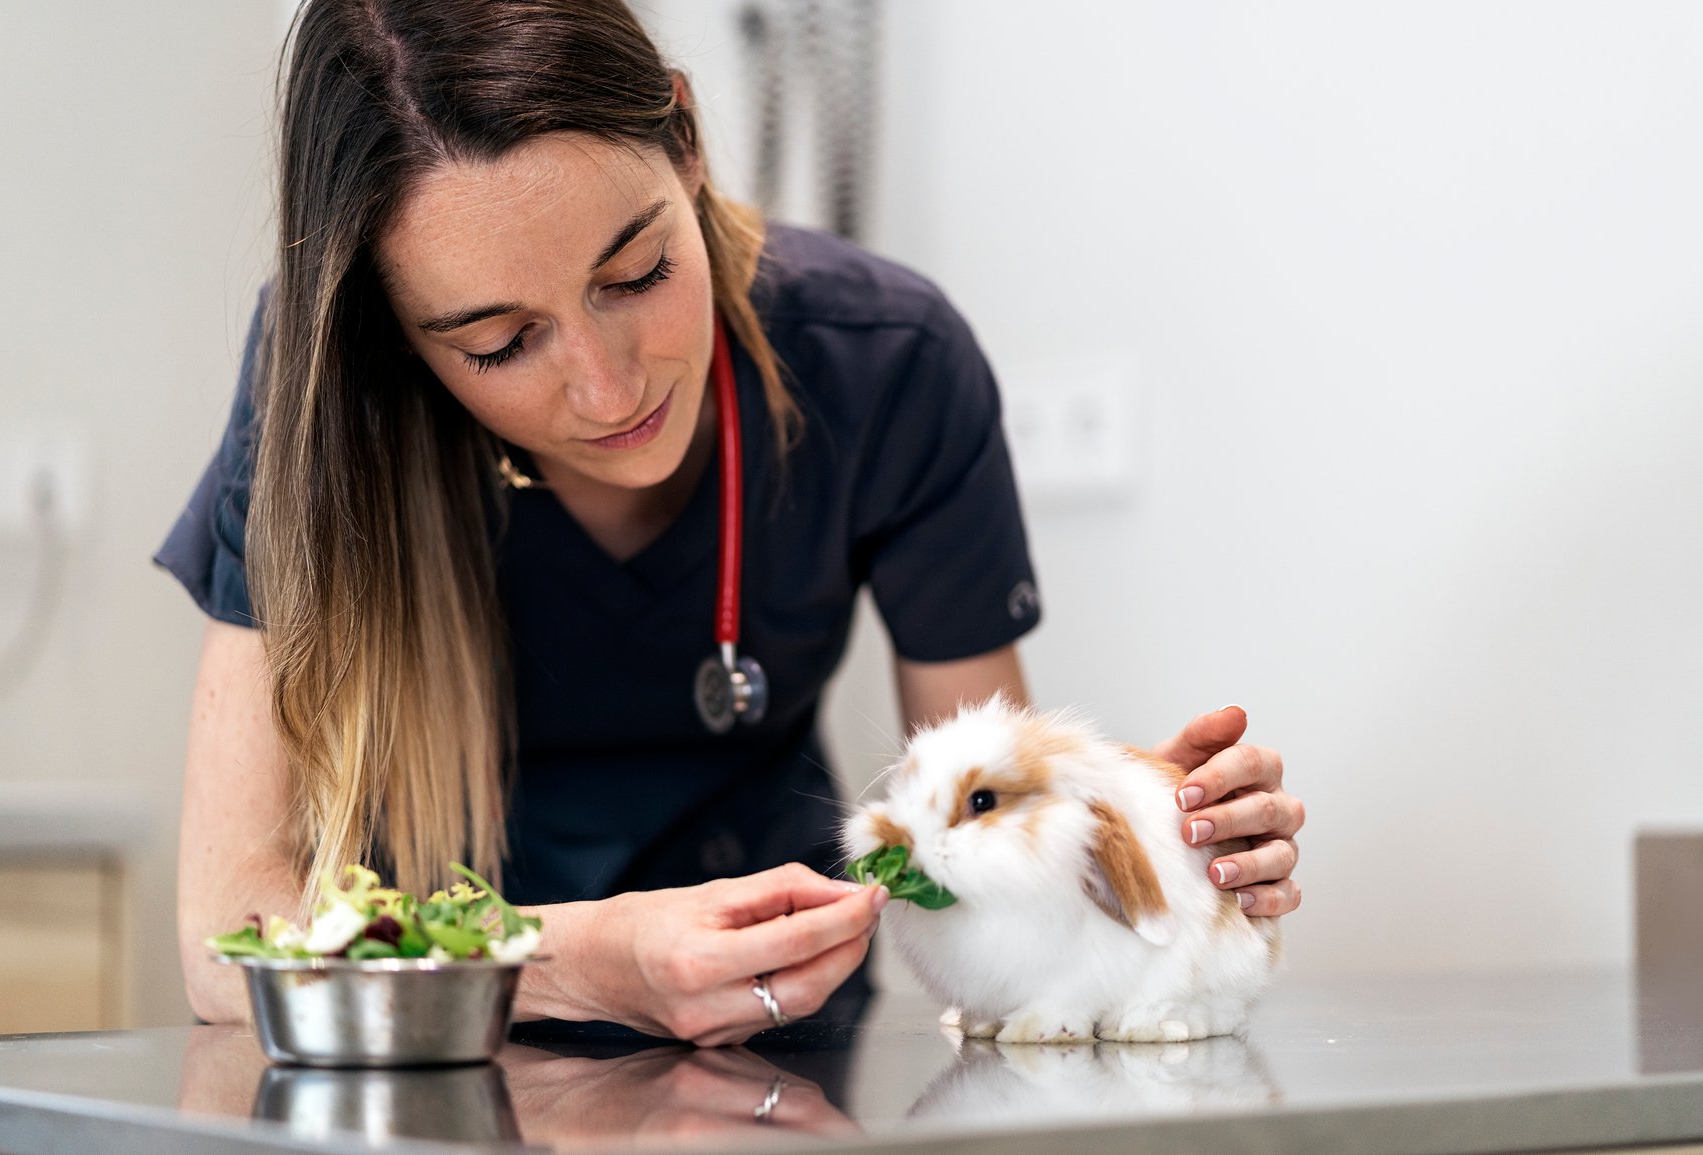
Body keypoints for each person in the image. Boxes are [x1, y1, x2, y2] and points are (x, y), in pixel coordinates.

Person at [157, 0, 1305, 1046]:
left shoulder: (887, 363)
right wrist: (572, 961)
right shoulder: (323, 404)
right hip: (428, 1051)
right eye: (501, 344)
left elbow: (975, 797)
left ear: (688, 139)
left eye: (639, 270)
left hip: (780, 1045)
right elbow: (229, 937)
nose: (608, 390)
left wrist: (1151, 823)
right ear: (391, 333)